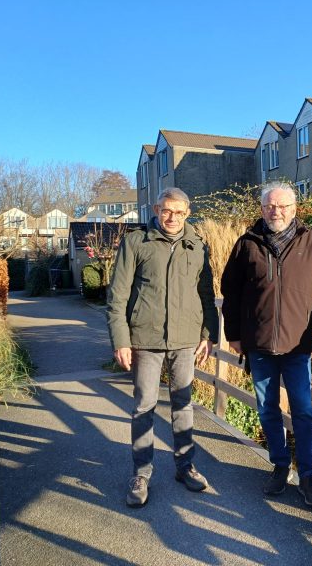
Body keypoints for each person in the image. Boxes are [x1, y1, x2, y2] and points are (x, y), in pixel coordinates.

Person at [220, 180, 312, 508]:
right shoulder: (247, 244)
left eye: (283, 206)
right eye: (270, 206)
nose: (277, 211)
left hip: (297, 345)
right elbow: (231, 292)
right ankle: (280, 465)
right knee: (268, 409)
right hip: (259, 345)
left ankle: (309, 475)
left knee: (303, 410)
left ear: (294, 209)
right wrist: (234, 335)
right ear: (262, 209)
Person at [107, 187, 218, 508]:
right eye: (167, 211)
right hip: (146, 339)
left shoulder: (197, 245)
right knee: (144, 406)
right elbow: (117, 296)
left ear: (188, 213)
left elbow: (206, 294)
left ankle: (185, 466)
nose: (172, 218)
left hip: (186, 339)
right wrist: (121, 340)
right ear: (156, 210)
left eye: (180, 212)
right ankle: (141, 473)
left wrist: (208, 334)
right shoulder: (136, 242)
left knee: (183, 404)